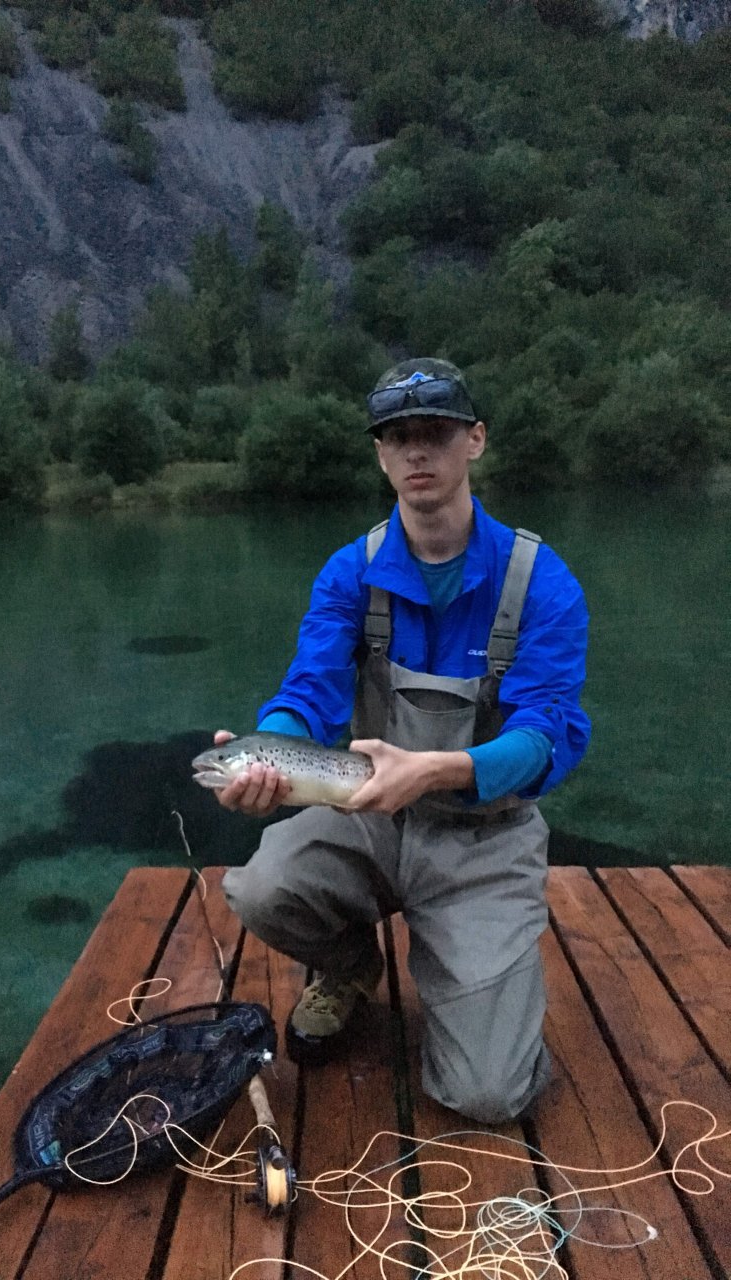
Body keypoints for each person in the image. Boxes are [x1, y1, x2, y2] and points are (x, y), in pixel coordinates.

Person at [216, 358, 590, 1124]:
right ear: (381, 454)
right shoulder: (349, 573)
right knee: (259, 886)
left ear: (474, 440)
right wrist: (266, 753)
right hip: (373, 819)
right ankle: (353, 967)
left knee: (489, 1094)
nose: (417, 450)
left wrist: (437, 770)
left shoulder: (541, 581)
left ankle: (471, 969)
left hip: (486, 840)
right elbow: (309, 694)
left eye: (436, 432)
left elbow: (546, 739)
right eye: (397, 436)